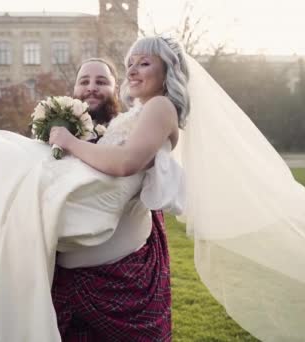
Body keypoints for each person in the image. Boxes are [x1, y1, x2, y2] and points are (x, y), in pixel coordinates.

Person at [0, 36, 187, 341]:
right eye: (130, 64)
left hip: (106, 236)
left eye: (144, 64)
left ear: (168, 71)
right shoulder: (142, 111)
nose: (133, 70)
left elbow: (124, 163)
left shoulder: (158, 108)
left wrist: (69, 142)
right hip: (73, 264)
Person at [52, 57, 172, 341]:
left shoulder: (136, 128)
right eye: (84, 81)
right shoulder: (54, 136)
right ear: (74, 90)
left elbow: (128, 165)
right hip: (64, 283)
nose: (91, 88)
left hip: (127, 280)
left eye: (101, 82)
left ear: (117, 89)